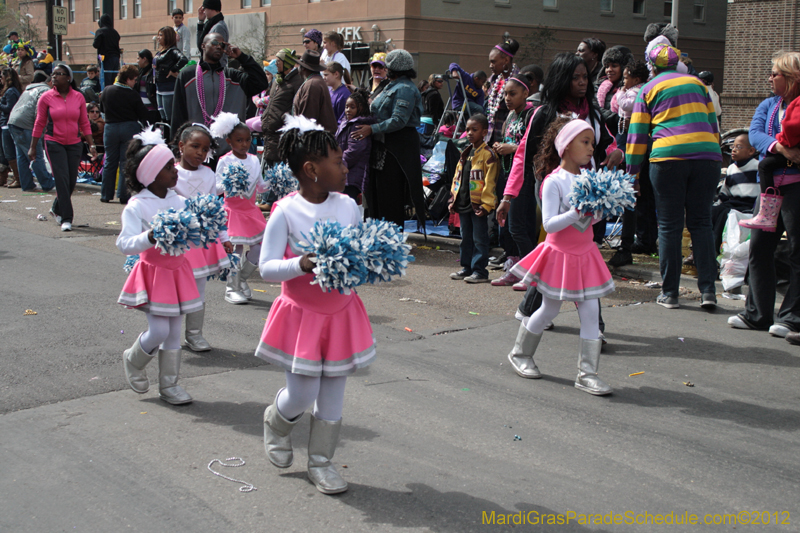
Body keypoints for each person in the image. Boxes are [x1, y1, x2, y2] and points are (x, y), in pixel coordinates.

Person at [257, 118, 375, 495]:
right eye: (338, 162)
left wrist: (366, 263)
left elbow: (356, 255)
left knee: (334, 393)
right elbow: (265, 268)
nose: (345, 167)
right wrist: (302, 263)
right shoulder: (286, 212)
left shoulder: (348, 206)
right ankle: (277, 421)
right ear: (311, 170)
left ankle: (321, 462)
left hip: (341, 314)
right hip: (302, 316)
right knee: (303, 393)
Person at [505, 117, 615, 395]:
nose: (592, 148)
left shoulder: (589, 179)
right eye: (585, 142)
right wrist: (576, 212)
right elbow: (550, 224)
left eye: (593, 142)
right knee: (550, 309)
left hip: (586, 254)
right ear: (566, 146)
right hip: (560, 255)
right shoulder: (554, 181)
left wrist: (600, 211)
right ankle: (520, 353)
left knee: (590, 311)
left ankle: (587, 374)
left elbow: (590, 221)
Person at [626, 43, 721, 310]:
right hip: (708, 157)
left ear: (651, 66)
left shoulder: (648, 88)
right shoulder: (699, 85)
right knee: (701, 223)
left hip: (668, 157)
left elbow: (636, 136)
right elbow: (714, 126)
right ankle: (708, 292)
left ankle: (670, 293)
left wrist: (632, 174)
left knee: (669, 225)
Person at [117, 131, 197, 405]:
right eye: (166, 168)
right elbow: (125, 244)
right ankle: (134, 357)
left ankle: (169, 385)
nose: (174, 171)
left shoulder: (179, 200)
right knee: (160, 330)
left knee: (173, 331)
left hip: (178, 271)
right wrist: (150, 237)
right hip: (153, 273)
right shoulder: (137, 206)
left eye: (172, 165)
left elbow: (190, 233)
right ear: (150, 175)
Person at [728, 51, 800, 338]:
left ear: (792, 78)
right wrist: (781, 149)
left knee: (798, 252)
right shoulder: (769, 105)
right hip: (769, 189)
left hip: (796, 188)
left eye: (775, 74)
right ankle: (757, 313)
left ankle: (793, 317)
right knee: (759, 248)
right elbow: (755, 134)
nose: (770, 78)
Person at [172, 123, 233, 350]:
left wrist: (223, 235)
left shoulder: (209, 175)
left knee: (198, 289)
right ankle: (170, 335)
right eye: (195, 146)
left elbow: (215, 208)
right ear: (181, 146)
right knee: (176, 289)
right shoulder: (171, 173)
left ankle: (194, 335)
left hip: (201, 243)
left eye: (205, 149)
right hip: (178, 241)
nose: (200, 152)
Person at [351, 48, 427, 228]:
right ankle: (378, 237)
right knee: (377, 195)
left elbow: (399, 120)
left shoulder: (405, 89)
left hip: (397, 149)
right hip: (383, 147)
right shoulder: (390, 86)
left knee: (390, 198)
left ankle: (390, 241)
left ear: (392, 68)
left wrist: (372, 128)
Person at [172, 33, 269, 161]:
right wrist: (176, 151)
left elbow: (261, 82)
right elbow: (177, 114)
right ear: (203, 46)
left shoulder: (233, 77)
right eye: (214, 43)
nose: (219, 47)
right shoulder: (187, 75)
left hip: (228, 154)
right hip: (196, 154)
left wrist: (241, 56)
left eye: (222, 45)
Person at [31, 64, 97, 231]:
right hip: (54, 142)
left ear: (69, 78)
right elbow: (39, 122)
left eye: (59, 74)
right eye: (53, 74)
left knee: (71, 180)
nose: (54, 77)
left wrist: (91, 144)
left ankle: (56, 208)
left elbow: (84, 122)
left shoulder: (78, 97)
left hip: (74, 143)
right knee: (61, 179)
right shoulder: (46, 97)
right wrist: (33, 147)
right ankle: (66, 218)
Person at [214, 116, 268, 304]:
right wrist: (230, 183)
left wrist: (275, 182)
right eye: (239, 140)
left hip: (252, 212)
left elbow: (260, 187)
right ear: (229, 142)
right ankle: (232, 288)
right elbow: (216, 188)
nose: (244, 144)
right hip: (233, 212)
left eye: (247, 140)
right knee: (234, 250)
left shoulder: (254, 160)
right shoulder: (225, 161)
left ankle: (242, 279)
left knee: (259, 249)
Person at [490, 72, 535, 286]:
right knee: (505, 225)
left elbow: (534, 147)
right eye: (505, 94)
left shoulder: (532, 114)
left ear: (526, 93)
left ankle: (531, 271)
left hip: (523, 177)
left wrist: (513, 148)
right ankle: (513, 266)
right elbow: (508, 140)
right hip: (507, 174)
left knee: (518, 226)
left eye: (513, 94)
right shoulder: (510, 116)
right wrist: (500, 148)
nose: (507, 98)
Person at [607, 58, 651, 268]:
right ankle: (633, 241)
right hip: (625, 138)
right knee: (631, 195)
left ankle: (633, 243)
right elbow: (615, 106)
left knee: (634, 192)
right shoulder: (629, 90)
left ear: (637, 78)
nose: (623, 81)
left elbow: (624, 104)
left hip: (636, 140)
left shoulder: (640, 92)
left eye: (625, 77)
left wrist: (622, 91)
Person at [448, 114, 498, 284]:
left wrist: (486, 204)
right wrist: (452, 199)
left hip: (478, 205)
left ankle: (480, 271)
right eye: (467, 129)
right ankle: (467, 267)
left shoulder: (488, 154)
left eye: (474, 130)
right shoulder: (465, 152)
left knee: (479, 238)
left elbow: (490, 182)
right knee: (466, 237)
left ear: (484, 132)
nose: (469, 133)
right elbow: (457, 177)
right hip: (463, 203)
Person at [99, 64, 149, 204]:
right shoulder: (132, 94)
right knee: (125, 162)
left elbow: (102, 107)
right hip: (128, 127)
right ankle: (123, 195)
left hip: (110, 128)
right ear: (128, 79)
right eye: (134, 80)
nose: (135, 83)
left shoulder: (107, 90)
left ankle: (105, 194)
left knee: (109, 161)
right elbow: (142, 113)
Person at [7, 71, 54, 191]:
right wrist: (41, 130)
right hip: (26, 125)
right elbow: (40, 112)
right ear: (49, 82)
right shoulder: (45, 90)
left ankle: (27, 183)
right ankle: (47, 183)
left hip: (14, 121)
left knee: (22, 156)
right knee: (35, 155)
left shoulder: (28, 89)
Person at [713, 135, 759, 254]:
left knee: (725, 214)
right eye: (732, 147)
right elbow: (725, 191)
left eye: (738, 147)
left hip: (748, 205)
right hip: (732, 202)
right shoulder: (731, 169)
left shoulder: (757, 167)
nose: (733, 150)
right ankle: (698, 250)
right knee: (711, 212)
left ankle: (715, 251)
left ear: (751, 151)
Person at [262, 49, 301, 165]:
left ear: (287, 63)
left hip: (282, 134)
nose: (276, 64)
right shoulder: (277, 80)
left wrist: (284, 118)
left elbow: (297, 106)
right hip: (270, 134)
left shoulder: (297, 80)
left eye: (279, 61)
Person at [335, 88, 374, 200]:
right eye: (347, 107)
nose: (348, 110)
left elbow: (355, 150)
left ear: (361, 108)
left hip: (352, 174)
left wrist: (338, 163)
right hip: (345, 171)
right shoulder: (345, 123)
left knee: (347, 202)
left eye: (352, 107)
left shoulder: (358, 126)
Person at [292, 51, 337, 133]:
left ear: (303, 68)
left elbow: (307, 120)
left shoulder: (312, 85)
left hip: (315, 141)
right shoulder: (315, 81)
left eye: (299, 65)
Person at [486, 39, 520, 144]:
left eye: (493, 62)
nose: (490, 65)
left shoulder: (517, 80)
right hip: (490, 138)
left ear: (506, 60)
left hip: (507, 140)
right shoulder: (495, 79)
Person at [596, 45, 633, 137]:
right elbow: (595, 109)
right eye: (607, 66)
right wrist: (618, 119)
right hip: (601, 134)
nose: (609, 70)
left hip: (623, 136)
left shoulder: (633, 89)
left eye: (614, 66)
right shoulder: (597, 86)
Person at [153, 26, 188, 123]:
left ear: (167, 37)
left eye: (161, 35)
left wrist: (173, 69)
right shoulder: (161, 51)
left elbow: (184, 59)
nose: (158, 37)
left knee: (169, 115)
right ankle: (165, 135)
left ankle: (170, 135)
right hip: (159, 86)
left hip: (168, 87)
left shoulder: (172, 50)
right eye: (158, 35)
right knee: (162, 113)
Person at [0, 68, 22, 189]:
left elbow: (10, 108)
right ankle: (3, 177)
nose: (1, 80)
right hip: (5, 124)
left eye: (2, 77)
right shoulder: (10, 91)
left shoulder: (11, 92)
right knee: (4, 153)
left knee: (9, 153)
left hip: (7, 124)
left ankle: (18, 178)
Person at [196, 0, 228, 67]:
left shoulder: (219, 26)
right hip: (210, 67)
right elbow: (201, 44)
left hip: (216, 69)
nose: (204, 12)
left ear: (210, 8)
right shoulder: (211, 24)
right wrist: (200, 22)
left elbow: (220, 51)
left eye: (204, 9)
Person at [93, 14, 122, 88]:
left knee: (106, 80)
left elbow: (95, 45)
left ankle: (107, 96)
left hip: (106, 58)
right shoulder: (115, 32)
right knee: (113, 79)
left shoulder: (100, 31)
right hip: (115, 58)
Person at [136, 50, 161, 125]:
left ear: (144, 59)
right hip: (141, 108)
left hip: (151, 108)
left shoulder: (153, 71)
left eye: (138, 58)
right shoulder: (140, 72)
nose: (137, 61)